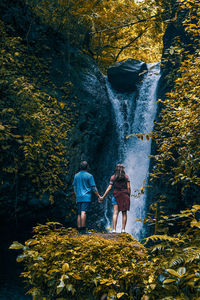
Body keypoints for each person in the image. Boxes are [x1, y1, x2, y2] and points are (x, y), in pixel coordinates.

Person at [100, 164, 131, 233]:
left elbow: (109, 188)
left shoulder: (113, 177)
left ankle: (114, 230)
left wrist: (103, 196)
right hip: (124, 195)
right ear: (123, 169)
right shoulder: (126, 177)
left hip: (116, 195)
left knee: (115, 213)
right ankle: (123, 230)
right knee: (124, 213)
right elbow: (128, 187)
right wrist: (129, 195)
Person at [73, 161, 101, 234]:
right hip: (86, 196)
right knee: (83, 212)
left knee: (79, 213)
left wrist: (76, 196)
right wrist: (98, 196)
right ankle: (83, 230)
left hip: (78, 196)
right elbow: (93, 187)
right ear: (87, 167)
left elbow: (74, 187)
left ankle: (79, 230)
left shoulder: (76, 176)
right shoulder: (89, 176)